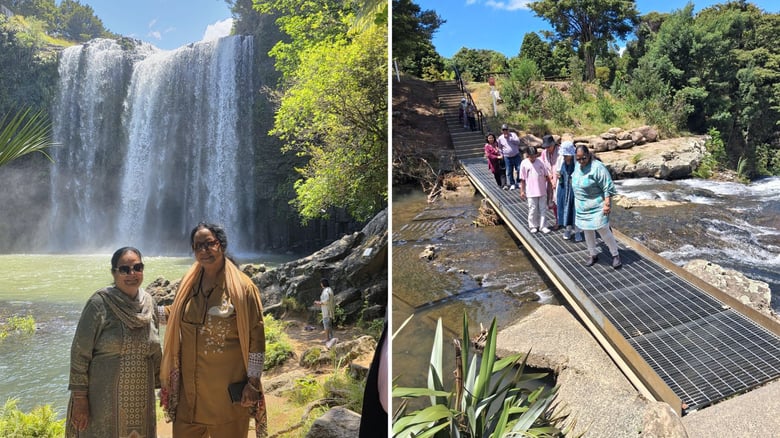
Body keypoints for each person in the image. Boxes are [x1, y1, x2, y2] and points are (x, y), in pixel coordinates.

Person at [160, 222, 267, 437]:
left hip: (226, 399)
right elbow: (175, 314)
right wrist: (138, 309)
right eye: (197, 246)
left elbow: (257, 338)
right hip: (188, 399)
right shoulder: (188, 284)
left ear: (221, 245)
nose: (204, 251)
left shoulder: (243, 288)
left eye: (210, 244)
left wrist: (253, 384)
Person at [67, 247, 161, 437]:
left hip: (140, 400)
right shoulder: (99, 303)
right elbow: (79, 352)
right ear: (114, 273)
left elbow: (155, 350)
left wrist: (165, 385)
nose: (132, 274)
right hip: (101, 400)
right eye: (124, 269)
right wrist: (80, 398)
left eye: (137, 267)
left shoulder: (150, 304)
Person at [572, 145, 622, 268]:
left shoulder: (598, 167)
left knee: (603, 229)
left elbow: (607, 186)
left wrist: (607, 204)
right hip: (582, 206)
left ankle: (615, 254)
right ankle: (592, 254)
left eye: (583, 158)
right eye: (578, 159)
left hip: (597, 205)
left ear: (588, 155)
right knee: (587, 231)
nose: (581, 161)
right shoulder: (577, 166)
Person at [519, 146, 553, 234]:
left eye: (534, 156)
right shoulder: (524, 163)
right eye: (531, 156)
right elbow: (522, 179)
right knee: (533, 209)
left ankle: (543, 226)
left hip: (541, 190)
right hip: (530, 191)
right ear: (527, 155)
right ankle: (533, 226)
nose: (533, 158)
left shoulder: (541, 162)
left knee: (543, 209)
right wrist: (522, 191)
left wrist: (549, 188)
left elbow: (546, 176)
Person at [555, 141, 582, 241]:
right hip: (563, 188)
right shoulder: (560, 159)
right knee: (564, 209)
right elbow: (558, 171)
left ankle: (578, 231)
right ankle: (568, 229)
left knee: (575, 210)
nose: (565, 157)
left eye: (567, 155)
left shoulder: (576, 161)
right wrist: (558, 175)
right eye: (564, 155)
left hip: (574, 190)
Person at [539, 134, 561, 230]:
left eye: (549, 146)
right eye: (546, 147)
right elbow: (544, 166)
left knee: (562, 200)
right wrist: (550, 177)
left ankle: (567, 220)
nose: (548, 148)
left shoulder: (560, 151)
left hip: (561, 179)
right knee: (553, 201)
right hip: (549, 179)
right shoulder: (544, 153)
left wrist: (557, 178)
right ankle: (558, 220)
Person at [498, 124, 522, 190]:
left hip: (516, 155)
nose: (505, 131)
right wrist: (501, 154)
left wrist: (510, 138)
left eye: (506, 129)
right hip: (507, 157)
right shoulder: (500, 138)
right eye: (503, 130)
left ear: (508, 130)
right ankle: (512, 183)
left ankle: (518, 182)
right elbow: (500, 147)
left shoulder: (513, 135)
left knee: (519, 169)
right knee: (509, 171)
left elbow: (518, 142)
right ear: (502, 131)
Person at [314, 278, 336, 343]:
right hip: (329, 310)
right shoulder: (329, 289)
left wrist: (319, 303)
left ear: (323, 283)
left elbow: (326, 300)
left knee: (326, 325)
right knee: (329, 325)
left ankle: (327, 339)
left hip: (327, 311)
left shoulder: (326, 290)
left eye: (321, 283)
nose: (320, 284)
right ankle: (330, 338)